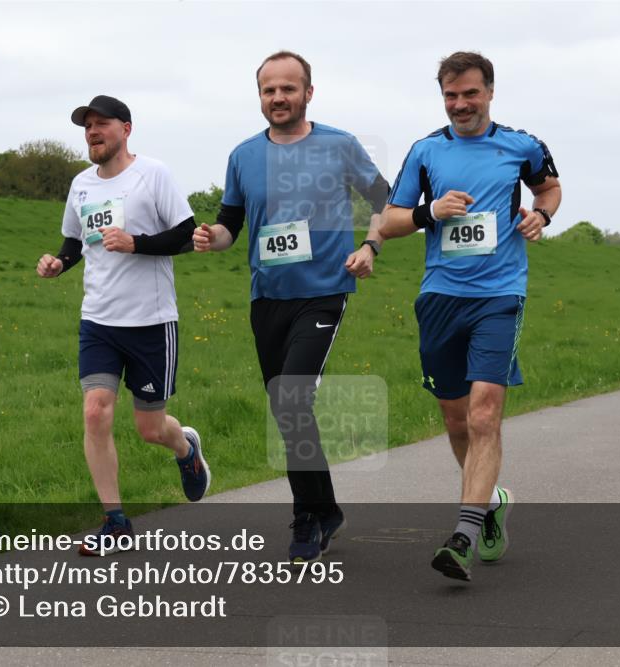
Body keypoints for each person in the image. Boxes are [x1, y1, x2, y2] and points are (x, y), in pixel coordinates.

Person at [193, 51, 389, 563]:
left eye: (287, 88)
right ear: (259, 96)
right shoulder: (242, 156)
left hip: (324, 290)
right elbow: (230, 226)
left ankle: (306, 516)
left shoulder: (340, 145)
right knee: (287, 411)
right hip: (267, 298)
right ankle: (326, 510)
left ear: (308, 92)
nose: (278, 98)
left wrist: (371, 246)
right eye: (268, 90)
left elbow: (386, 196)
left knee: (291, 399)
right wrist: (208, 237)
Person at [380, 52, 561, 580]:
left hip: (500, 294)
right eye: (450, 96)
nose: (460, 104)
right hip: (440, 295)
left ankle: (462, 534)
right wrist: (426, 213)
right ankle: (490, 502)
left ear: (490, 93)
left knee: (484, 414)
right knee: (456, 418)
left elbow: (548, 186)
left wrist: (542, 214)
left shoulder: (522, 146)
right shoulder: (426, 151)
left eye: (470, 94)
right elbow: (389, 220)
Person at [36, 95, 209, 556]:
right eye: (87, 126)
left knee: (150, 429)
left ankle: (186, 449)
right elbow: (77, 240)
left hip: (151, 322)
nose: (93, 132)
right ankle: (114, 520)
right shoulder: (81, 185)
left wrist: (137, 244)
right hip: (99, 320)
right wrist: (59, 262)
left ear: (126, 129)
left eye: (102, 124)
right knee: (95, 412)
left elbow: (187, 236)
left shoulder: (153, 174)